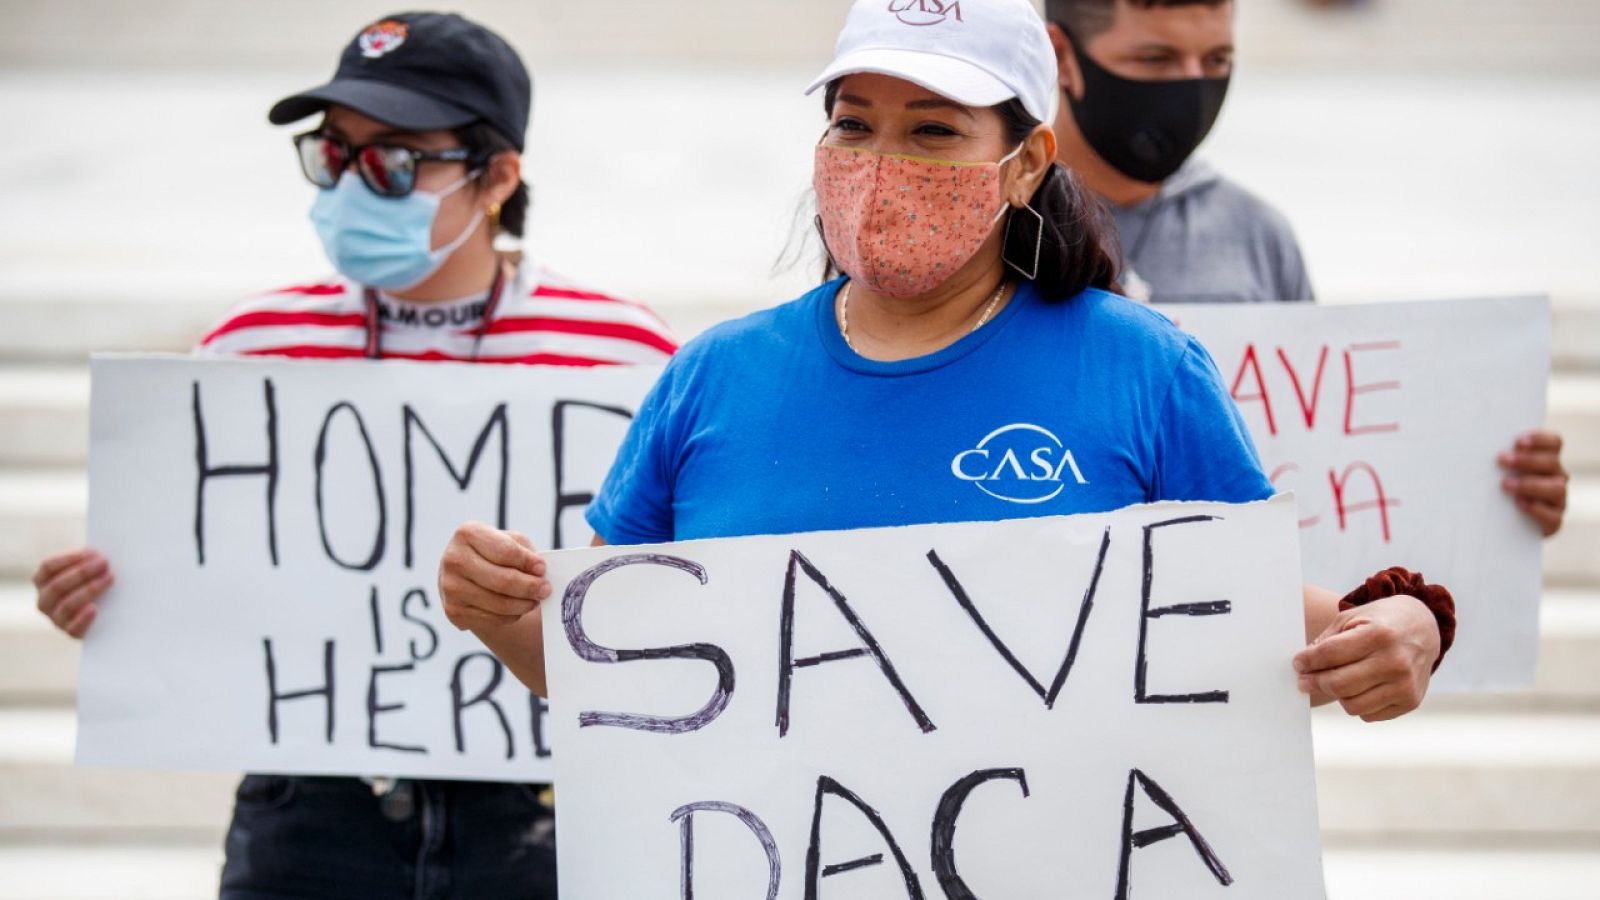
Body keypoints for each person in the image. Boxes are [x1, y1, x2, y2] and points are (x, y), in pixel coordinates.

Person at [436, 0, 1450, 743]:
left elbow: (1257, 607)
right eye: (851, 123)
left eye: (931, 130)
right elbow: (610, 676)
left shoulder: (1141, 369)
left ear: (1024, 162)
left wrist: (1405, 621)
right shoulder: (712, 377)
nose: (879, 162)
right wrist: (505, 616)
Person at [30, 12, 675, 899]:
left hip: (549, 805)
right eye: (334, 154)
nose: (351, 185)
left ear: (498, 178)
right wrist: (120, 601)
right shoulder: (248, 344)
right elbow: (219, 571)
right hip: (311, 805)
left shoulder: (625, 353)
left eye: (394, 160)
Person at [1044, 0, 1569, 536]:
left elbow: (1325, 455)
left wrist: (1497, 494)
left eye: (1218, 61)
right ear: (1060, 56)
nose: (1190, 86)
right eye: (1155, 60)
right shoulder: (1005, 226)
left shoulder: (1256, 235)